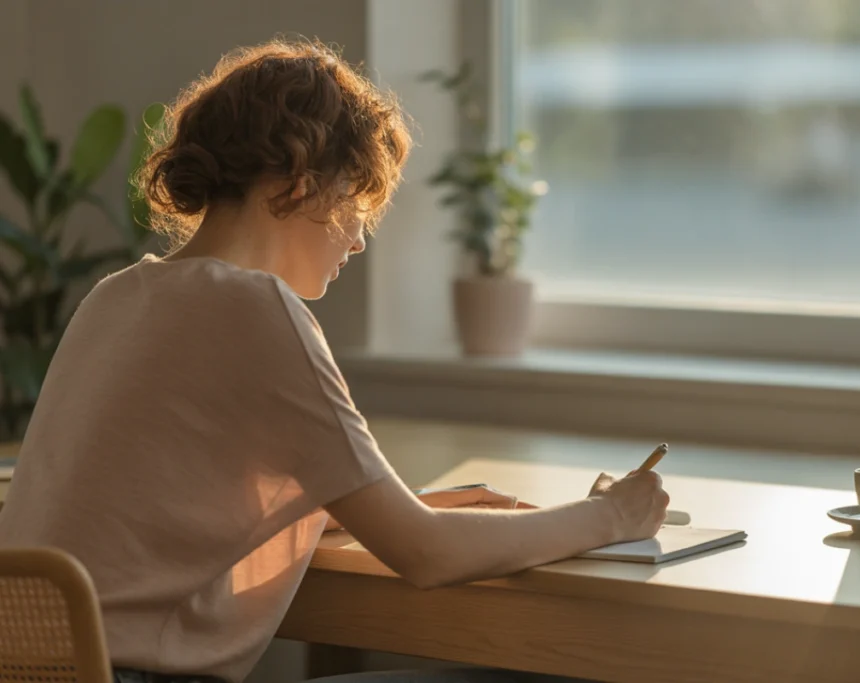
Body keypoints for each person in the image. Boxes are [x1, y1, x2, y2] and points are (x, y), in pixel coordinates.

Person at [0, 39, 669, 683]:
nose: (357, 238)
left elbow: (163, 508)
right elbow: (427, 554)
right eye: (356, 202)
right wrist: (613, 516)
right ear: (299, 180)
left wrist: (399, 505)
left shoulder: (117, 297)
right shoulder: (255, 307)